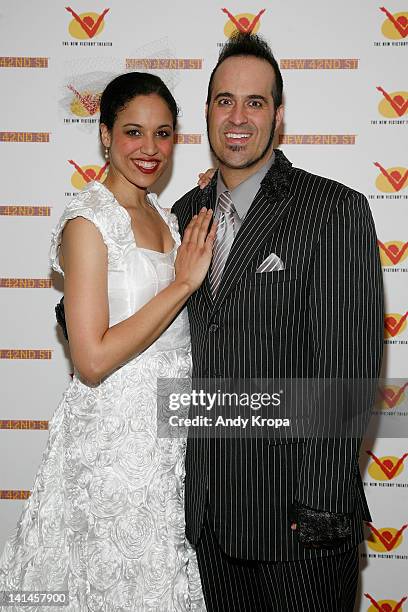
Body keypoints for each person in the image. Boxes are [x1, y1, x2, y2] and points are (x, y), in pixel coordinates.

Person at [171, 33, 384, 611]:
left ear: (279, 115)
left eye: (255, 102)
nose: (237, 117)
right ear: (207, 112)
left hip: (298, 526)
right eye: (224, 101)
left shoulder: (332, 209)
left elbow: (349, 377)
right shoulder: (184, 215)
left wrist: (316, 520)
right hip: (209, 522)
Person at [0, 72, 216, 611]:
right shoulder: (87, 222)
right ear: (104, 135)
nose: (150, 149)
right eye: (133, 132)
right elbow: (91, 358)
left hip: (170, 439)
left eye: (163, 134)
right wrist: (185, 283)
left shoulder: (166, 217)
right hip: (114, 445)